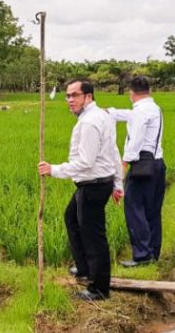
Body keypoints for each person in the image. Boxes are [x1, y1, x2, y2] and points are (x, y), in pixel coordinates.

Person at [38, 79, 124, 301]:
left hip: (92, 185)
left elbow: (85, 162)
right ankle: (84, 267)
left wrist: (53, 169)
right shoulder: (102, 116)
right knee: (72, 219)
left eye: (74, 95)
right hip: (97, 182)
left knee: (94, 236)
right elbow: (114, 152)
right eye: (67, 96)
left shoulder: (89, 123)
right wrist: (117, 183)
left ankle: (99, 288)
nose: (69, 100)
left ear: (88, 96)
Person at [107, 76, 166, 267]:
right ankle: (153, 253)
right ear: (149, 90)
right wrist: (109, 112)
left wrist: (125, 161)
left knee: (134, 208)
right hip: (157, 165)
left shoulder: (141, 111)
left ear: (131, 93)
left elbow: (137, 137)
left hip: (142, 166)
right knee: (152, 211)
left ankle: (141, 256)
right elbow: (128, 115)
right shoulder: (154, 108)